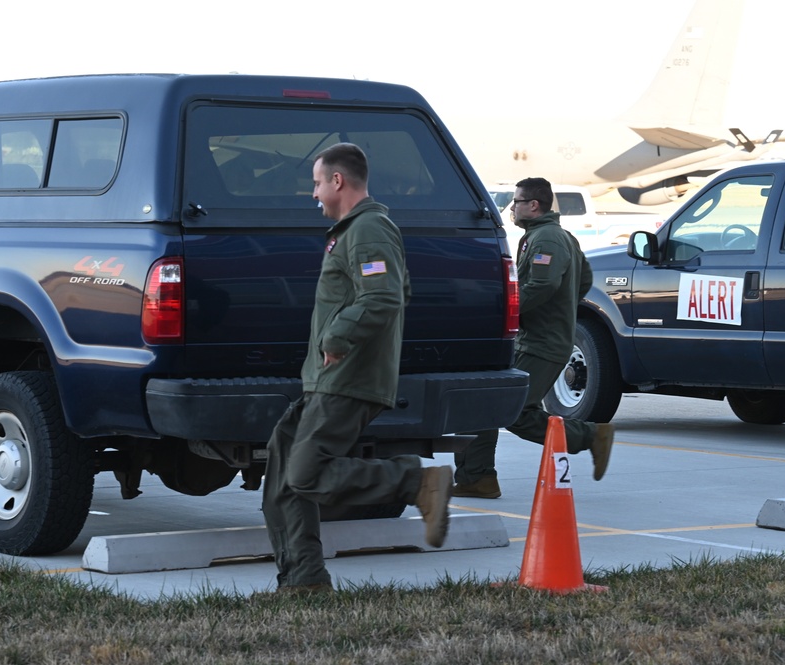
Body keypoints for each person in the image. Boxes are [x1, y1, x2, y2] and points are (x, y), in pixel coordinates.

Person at [261, 143, 453, 595]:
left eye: (316, 183)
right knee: (283, 472)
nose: (314, 194)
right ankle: (303, 579)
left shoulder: (368, 231)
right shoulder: (353, 232)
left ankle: (419, 481)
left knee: (305, 474)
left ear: (338, 181)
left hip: (347, 376)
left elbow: (384, 296)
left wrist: (337, 338)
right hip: (327, 378)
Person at [453, 177, 614, 499]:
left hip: (542, 344)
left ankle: (589, 436)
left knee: (507, 410)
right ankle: (477, 477)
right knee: (489, 405)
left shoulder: (547, 239)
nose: (512, 208)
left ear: (534, 205)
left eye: (517, 201)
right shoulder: (550, 236)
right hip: (536, 339)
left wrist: (509, 312)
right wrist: (559, 308)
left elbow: (543, 286)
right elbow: (582, 280)